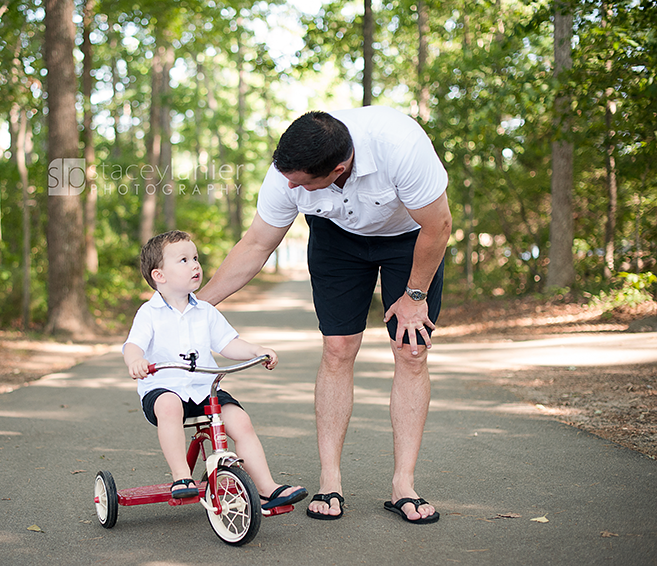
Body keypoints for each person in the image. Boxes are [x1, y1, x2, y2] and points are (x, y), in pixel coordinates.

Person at [198, 107, 451, 524]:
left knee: (411, 351)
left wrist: (415, 295)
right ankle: (330, 480)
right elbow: (257, 244)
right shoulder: (287, 171)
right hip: (337, 241)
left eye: (299, 183)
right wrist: (196, 306)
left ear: (338, 169)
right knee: (337, 349)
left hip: (410, 238)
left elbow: (438, 226)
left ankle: (403, 485)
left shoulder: (400, 146)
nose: (289, 185)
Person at [123, 230, 308, 509]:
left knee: (241, 421)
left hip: (204, 390)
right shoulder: (149, 314)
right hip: (163, 391)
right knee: (170, 405)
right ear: (159, 275)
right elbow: (132, 345)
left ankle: (267, 488)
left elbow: (229, 344)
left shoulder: (206, 312)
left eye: (195, 258)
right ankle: (181, 477)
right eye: (183, 260)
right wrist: (135, 361)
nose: (195, 265)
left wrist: (257, 351)